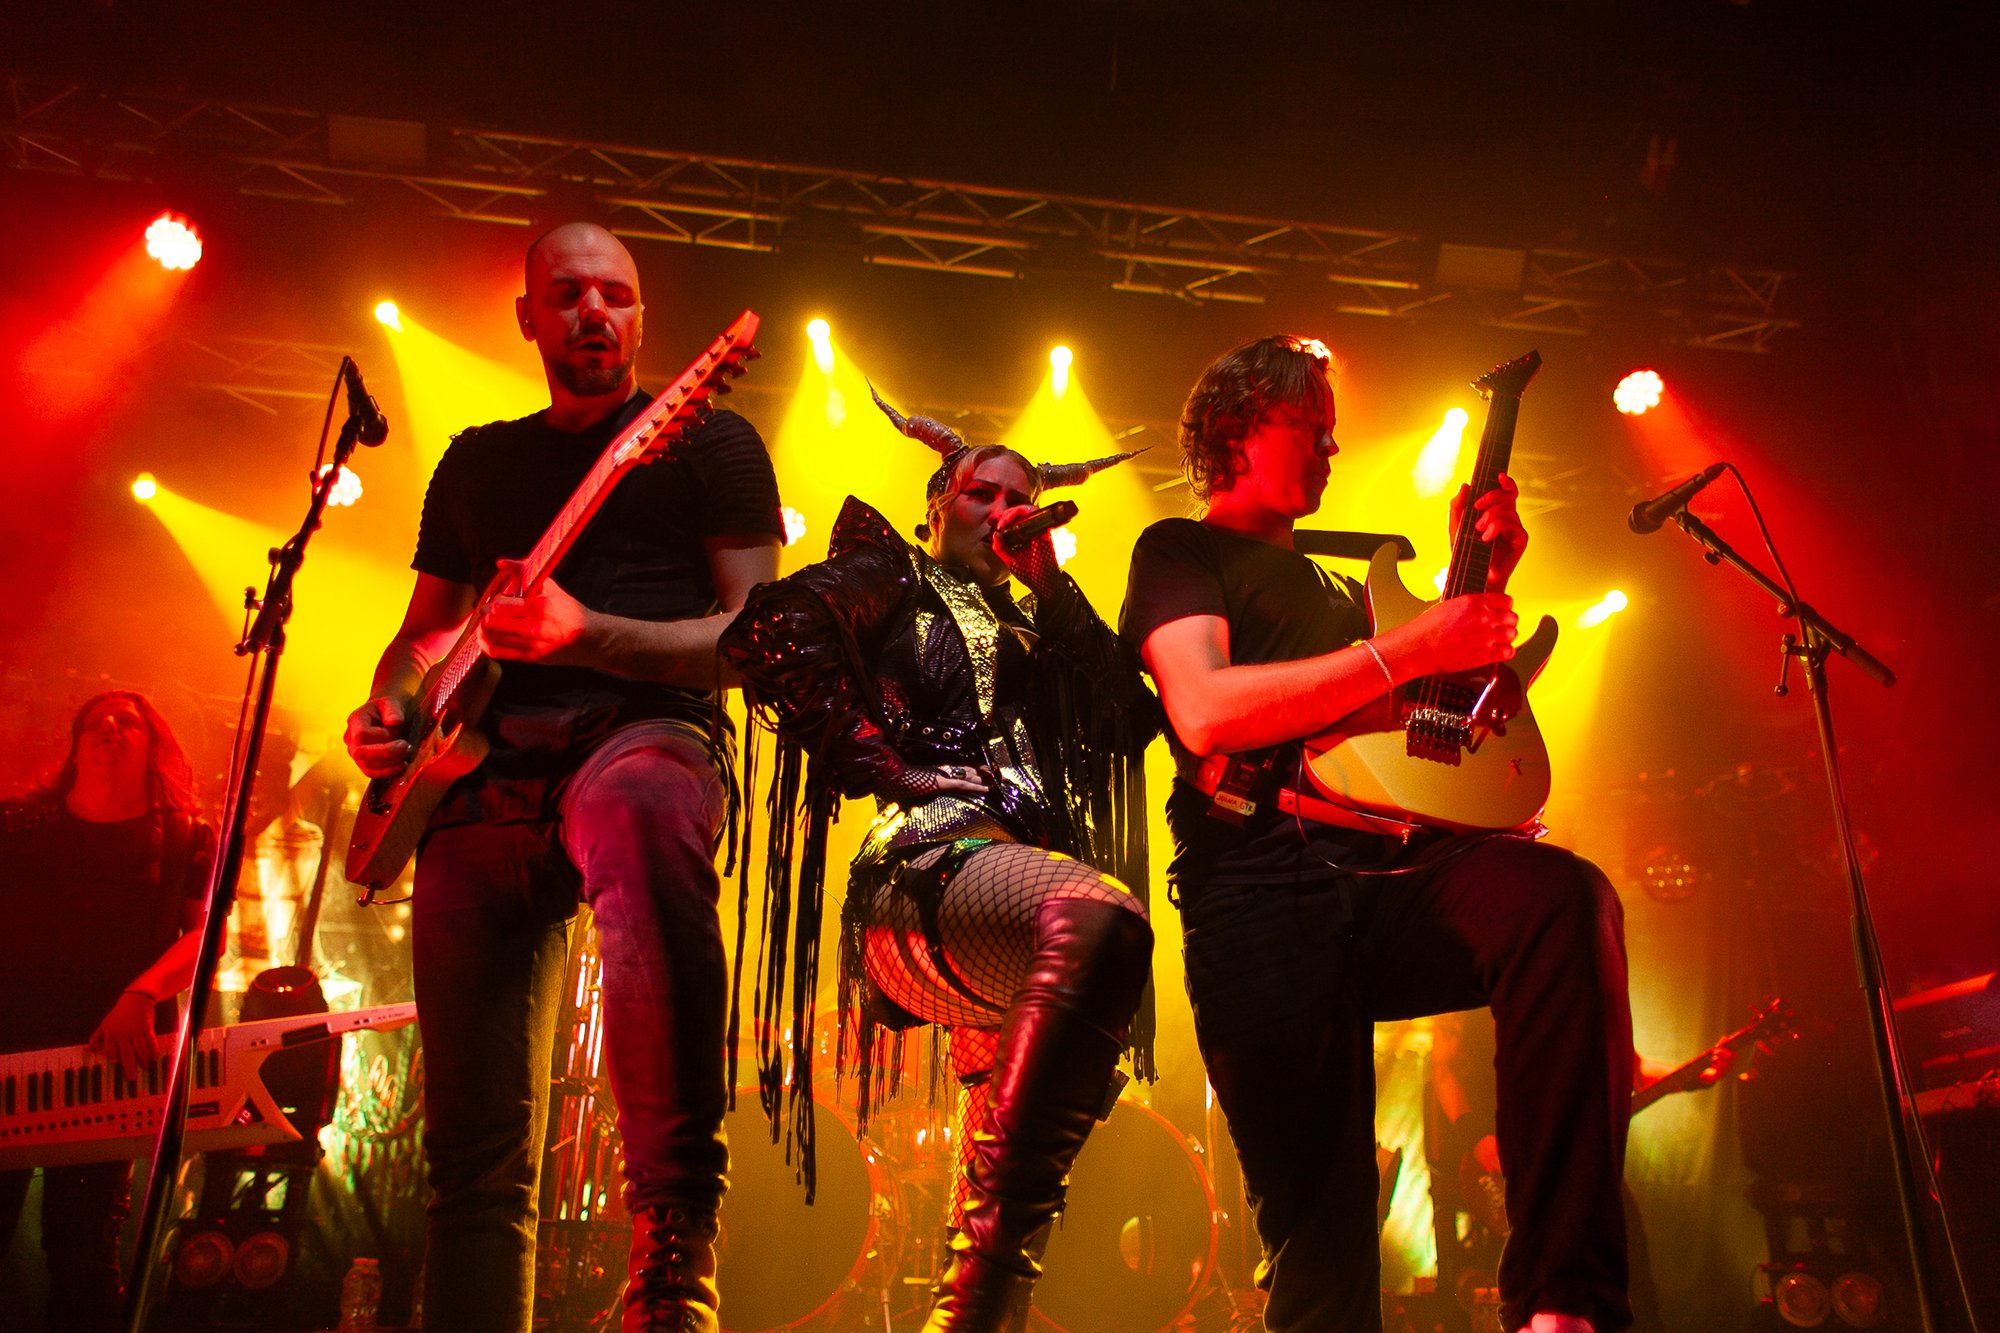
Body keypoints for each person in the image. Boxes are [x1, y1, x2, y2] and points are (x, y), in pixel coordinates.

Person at [1120, 335, 1633, 1333]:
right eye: (1309, 430)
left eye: (1332, 434)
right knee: (1324, 1263)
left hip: (1390, 876)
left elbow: (1434, 732)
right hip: (1258, 894)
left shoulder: (1343, 591)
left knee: (1560, 900)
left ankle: (1561, 1304)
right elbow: (1205, 713)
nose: (1329, 451)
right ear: (1235, 428)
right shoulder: (1179, 552)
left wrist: (1474, 592)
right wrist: (1408, 644)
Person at [342, 222, 782, 1333]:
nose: (595, 312)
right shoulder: (478, 459)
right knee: (472, 1154)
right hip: (477, 773)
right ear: (529, 316)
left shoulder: (711, 443)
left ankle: (673, 1264)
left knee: (640, 810)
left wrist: (587, 633)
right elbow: (420, 637)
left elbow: (751, 642)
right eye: (571, 293)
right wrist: (388, 709)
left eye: (618, 296)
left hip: (641, 732)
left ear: (643, 320)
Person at [717, 390, 1156, 1332]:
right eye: (981, 494)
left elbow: (1133, 717)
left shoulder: (1039, 629)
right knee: (1103, 916)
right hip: (921, 874)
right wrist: (891, 765)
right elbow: (768, 634)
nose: (1001, 511)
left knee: (1016, 1174)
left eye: (1018, 500)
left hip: (1012, 898)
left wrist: (1050, 581)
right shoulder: (894, 577)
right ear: (936, 506)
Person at [0, 690, 217, 1333]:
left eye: (126, 721)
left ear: (155, 746)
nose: (109, 729)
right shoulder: (19, 824)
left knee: (85, 1249)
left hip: (110, 1059)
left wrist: (140, 995)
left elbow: (206, 938)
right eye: (93, 722)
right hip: (9, 1046)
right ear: (74, 747)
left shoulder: (185, 837)